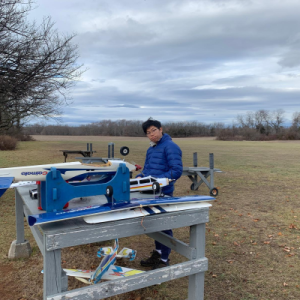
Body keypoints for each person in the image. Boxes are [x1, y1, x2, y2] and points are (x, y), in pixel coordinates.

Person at [137, 118, 183, 269]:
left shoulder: (170, 146)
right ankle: (157, 253)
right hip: (149, 193)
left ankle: (164, 260)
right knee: (155, 225)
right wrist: (140, 178)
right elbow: (147, 170)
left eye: (154, 130)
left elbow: (176, 171)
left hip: (163, 193)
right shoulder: (151, 149)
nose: (152, 135)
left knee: (164, 225)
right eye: (148, 133)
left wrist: (157, 180)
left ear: (161, 129)